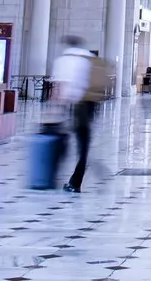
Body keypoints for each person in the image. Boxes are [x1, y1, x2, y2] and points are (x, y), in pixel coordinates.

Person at [51, 35, 108, 193]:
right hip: (91, 104)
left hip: (74, 105)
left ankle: (71, 179)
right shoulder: (89, 58)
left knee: (66, 141)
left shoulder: (63, 60)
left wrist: (54, 109)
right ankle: (81, 172)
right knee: (83, 142)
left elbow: (59, 88)